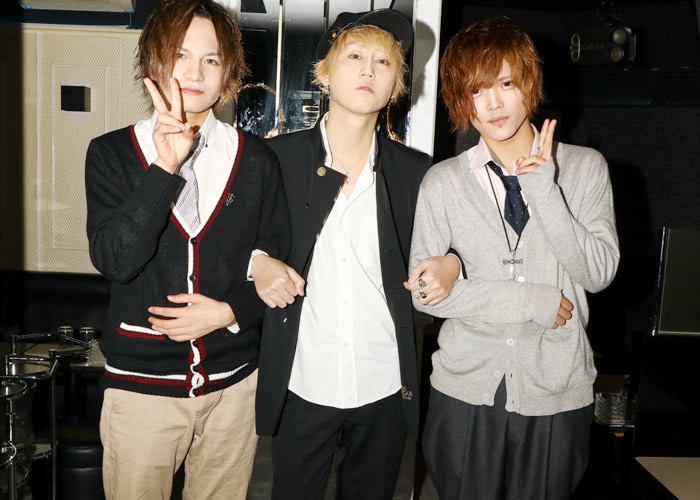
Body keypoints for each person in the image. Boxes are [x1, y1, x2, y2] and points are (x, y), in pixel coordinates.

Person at [407, 16, 620, 499]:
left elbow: (599, 273)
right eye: (477, 90)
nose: (494, 103)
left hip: (557, 390)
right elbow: (423, 294)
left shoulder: (585, 168)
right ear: (462, 101)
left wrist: (544, 190)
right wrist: (530, 302)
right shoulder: (442, 182)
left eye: (505, 83)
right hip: (464, 391)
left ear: (529, 82)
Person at [250, 9, 460, 499]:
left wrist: (452, 263)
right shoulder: (276, 159)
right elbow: (238, 242)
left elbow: (454, 244)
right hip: (303, 378)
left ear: (396, 86)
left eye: (383, 62)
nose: (369, 69)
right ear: (324, 74)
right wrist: (257, 264)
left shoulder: (418, 173)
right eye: (355, 56)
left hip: (383, 382)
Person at [84, 1, 289, 498]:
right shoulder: (111, 154)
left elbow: (277, 263)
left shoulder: (257, 160)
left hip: (233, 389)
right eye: (180, 55)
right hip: (140, 389)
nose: (195, 73)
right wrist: (165, 169)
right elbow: (115, 260)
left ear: (228, 72)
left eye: (211, 59)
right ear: (153, 61)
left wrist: (228, 312)